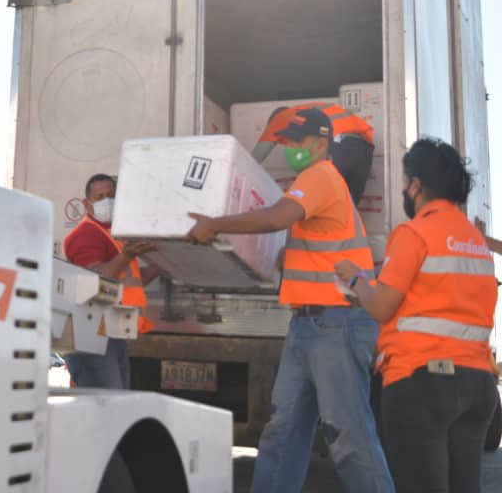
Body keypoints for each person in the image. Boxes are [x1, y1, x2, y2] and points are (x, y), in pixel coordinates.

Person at [186, 107, 393, 493]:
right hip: (308, 325)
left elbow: (275, 219)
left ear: (322, 142)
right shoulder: (314, 182)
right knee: (283, 432)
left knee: (348, 437)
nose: (292, 148)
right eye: (288, 141)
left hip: (336, 324)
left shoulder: (319, 177)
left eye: (299, 141)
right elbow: (300, 244)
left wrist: (216, 225)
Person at [336, 138, 498, 493]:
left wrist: (356, 280)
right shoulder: (475, 242)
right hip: (477, 385)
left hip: (422, 384)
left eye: (405, 182)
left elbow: (382, 306)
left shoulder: (414, 233)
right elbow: (440, 301)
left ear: (416, 185)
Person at [62, 173, 160, 389]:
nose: (107, 201)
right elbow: (95, 280)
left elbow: (128, 281)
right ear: (86, 204)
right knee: (106, 403)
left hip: (110, 333)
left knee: (116, 401)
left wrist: (162, 266)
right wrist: (127, 255)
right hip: (91, 336)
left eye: (111, 196)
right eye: (100, 197)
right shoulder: (86, 235)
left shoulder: (112, 234)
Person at [252, 102, 375, 204]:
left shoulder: (281, 117)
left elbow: (255, 157)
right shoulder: (308, 111)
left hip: (338, 144)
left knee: (315, 199)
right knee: (348, 207)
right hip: (364, 149)